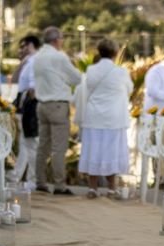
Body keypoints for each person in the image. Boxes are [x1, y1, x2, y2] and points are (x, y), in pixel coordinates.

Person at [77, 38, 133, 199]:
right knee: (112, 151)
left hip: (94, 115)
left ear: (99, 52)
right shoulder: (121, 72)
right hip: (114, 117)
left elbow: (85, 89)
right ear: (116, 53)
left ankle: (92, 188)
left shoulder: (91, 70)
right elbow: (129, 89)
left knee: (93, 149)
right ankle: (111, 188)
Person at [33, 26, 82, 195]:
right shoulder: (59, 56)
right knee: (58, 147)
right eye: (61, 39)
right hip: (58, 105)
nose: (62, 42)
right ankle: (59, 185)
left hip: (41, 105)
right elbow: (77, 78)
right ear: (56, 40)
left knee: (43, 146)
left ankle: (40, 181)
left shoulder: (37, 57)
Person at [16, 35, 41, 189]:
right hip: (25, 101)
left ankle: (32, 179)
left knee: (31, 143)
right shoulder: (29, 61)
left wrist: (28, 105)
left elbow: (32, 86)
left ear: (31, 45)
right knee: (26, 143)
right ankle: (21, 176)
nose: (21, 49)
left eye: (24, 45)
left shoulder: (34, 61)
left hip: (29, 103)